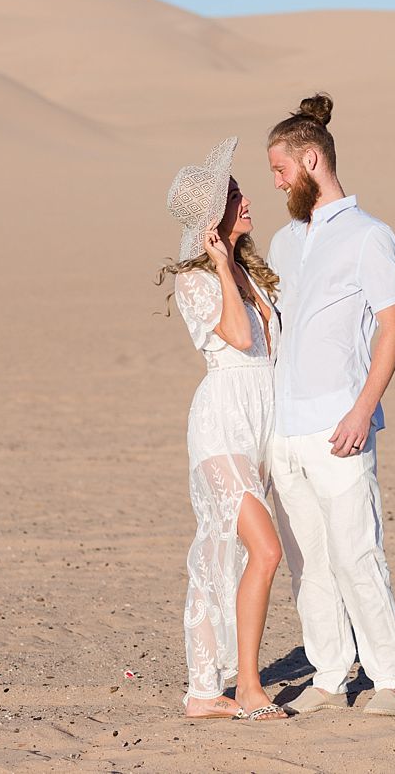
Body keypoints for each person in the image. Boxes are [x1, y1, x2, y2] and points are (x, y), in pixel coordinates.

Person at [265, 95, 395, 716]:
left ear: (311, 160)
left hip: (339, 424)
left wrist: (363, 409)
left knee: (356, 552)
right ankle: (328, 677)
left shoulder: (369, 236)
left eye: (280, 170)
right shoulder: (282, 242)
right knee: (309, 563)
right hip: (285, 427)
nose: (276, 183)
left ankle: (389, 682)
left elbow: (393, 327)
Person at [159, 137, 288, 721]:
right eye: (235, 195)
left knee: (227, 556)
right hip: (220, 425)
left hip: (262, 422)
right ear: (215, 220)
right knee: (264, 551)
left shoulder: (251, 273)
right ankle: (248, 688)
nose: (247, 198)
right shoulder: (198, 281)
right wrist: (217, 263)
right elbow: (237, 338)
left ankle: (204, 692)